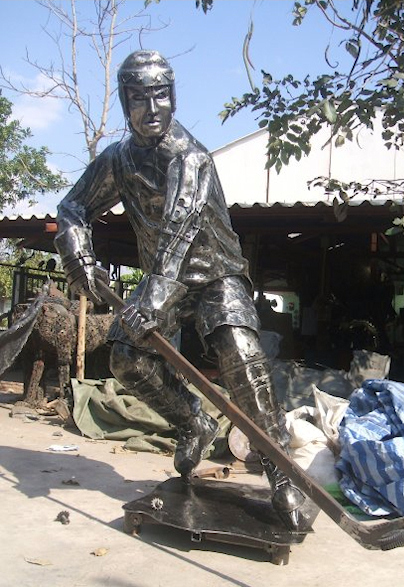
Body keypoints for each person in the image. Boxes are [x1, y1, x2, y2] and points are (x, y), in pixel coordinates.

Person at [54, 50, 304, 529]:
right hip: (159, 279)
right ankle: (193, 420)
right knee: (126, 360)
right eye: (140, 98)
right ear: (124, 104)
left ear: (175, 98)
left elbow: (177, 233)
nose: (153, 108)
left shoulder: (191, 157)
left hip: (214, 273)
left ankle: (282, 476)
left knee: (242, 358)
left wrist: (149, 298)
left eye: (162, 95)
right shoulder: (118, 160)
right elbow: (71, 210)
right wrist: (79, 257)